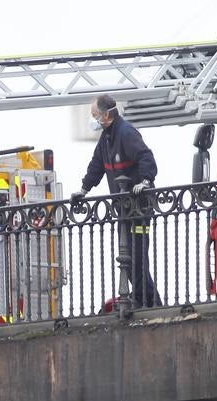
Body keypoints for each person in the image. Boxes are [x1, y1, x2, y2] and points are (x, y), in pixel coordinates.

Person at [71, 95, 162, 307]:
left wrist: (146, 181)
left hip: (140, 208)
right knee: (128, 259)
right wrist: (83, 190)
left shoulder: (126, 133)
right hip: (123, 209)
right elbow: (96, 166)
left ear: (105, 116)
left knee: (137, 257)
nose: (92, 119)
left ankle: (147, 302)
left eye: (94, 115)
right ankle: (149, 302)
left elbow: (146, 157)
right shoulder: (106, 138)